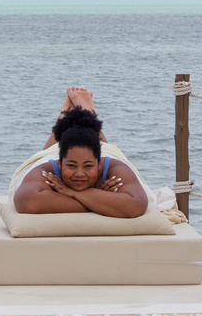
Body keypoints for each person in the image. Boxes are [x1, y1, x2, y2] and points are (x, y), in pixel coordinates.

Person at [12, 88, 149, 218]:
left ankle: (86, 115)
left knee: (105, 147)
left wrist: (72, 193)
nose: (79, 173)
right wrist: (100, 200)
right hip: (59, 154)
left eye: (88, 166)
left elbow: (136, 205)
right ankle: (69, 116)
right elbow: (27, 202)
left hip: (96, 153)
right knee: (47, 152)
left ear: (99, 164)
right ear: (59, 165)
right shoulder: (46, 171)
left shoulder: (114, 168)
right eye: (71, 166)